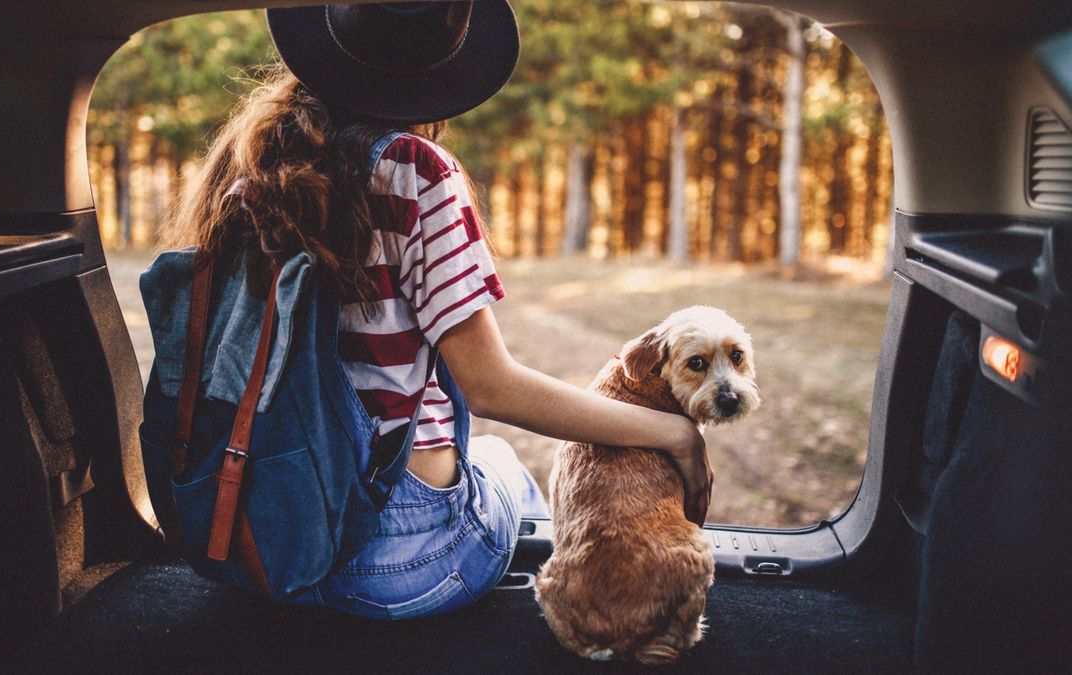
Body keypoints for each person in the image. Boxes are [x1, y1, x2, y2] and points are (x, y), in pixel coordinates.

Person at [153, 1, 708, 620]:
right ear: (441, 71)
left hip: (259, 540)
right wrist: (675, 433)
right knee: (503, 467)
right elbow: (492, 388)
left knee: (489, 463)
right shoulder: (416, 169)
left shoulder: (250, 169)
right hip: (396, 560)